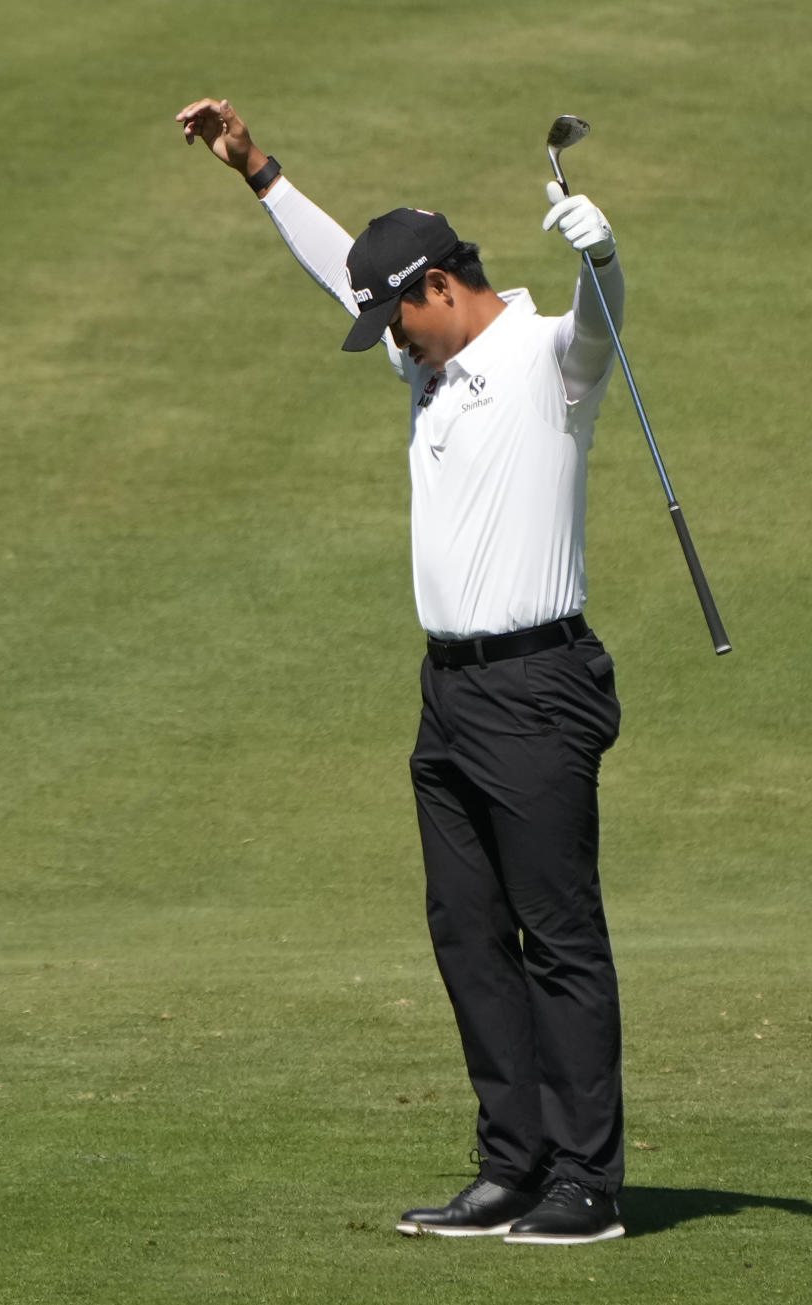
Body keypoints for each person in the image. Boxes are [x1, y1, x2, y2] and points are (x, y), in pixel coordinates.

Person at [175, 97, 627, 1247]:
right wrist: (260, 172)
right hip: (451, 696)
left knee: (558, 934)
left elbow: (598, 330)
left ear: (441, 287)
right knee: (468, 933)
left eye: (398, 316)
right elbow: (347, 273)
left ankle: (588, 1181)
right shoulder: (426, 354)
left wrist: (605, 255)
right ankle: (511, 1165)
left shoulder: (541, 356)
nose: (389, 337)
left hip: (538, 684)